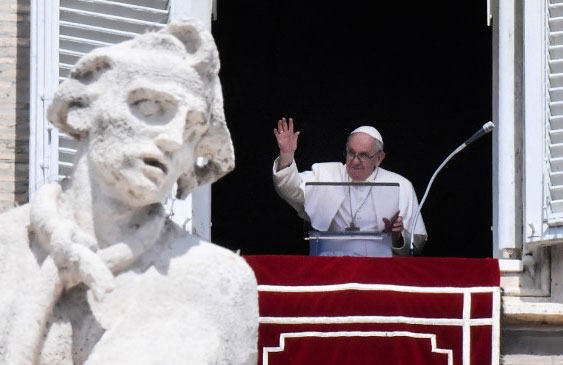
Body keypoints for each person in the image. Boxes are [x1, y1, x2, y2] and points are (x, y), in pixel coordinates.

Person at [0, 19, 258, 364]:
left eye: (193, 129)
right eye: (150, 107)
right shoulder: (6, 248)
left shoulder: (219, 281)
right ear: (81, 110)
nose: (173, 138)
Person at [272, 117, 427, 256]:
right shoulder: (326, 174)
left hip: (379, 268)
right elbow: (291, 190)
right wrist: (287, 154)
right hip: (332, 265)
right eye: (351, 153)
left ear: (379, 158)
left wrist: (397, 237)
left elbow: (416, 243)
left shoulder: (401, 185)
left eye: (364, 155)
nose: (355, 161)